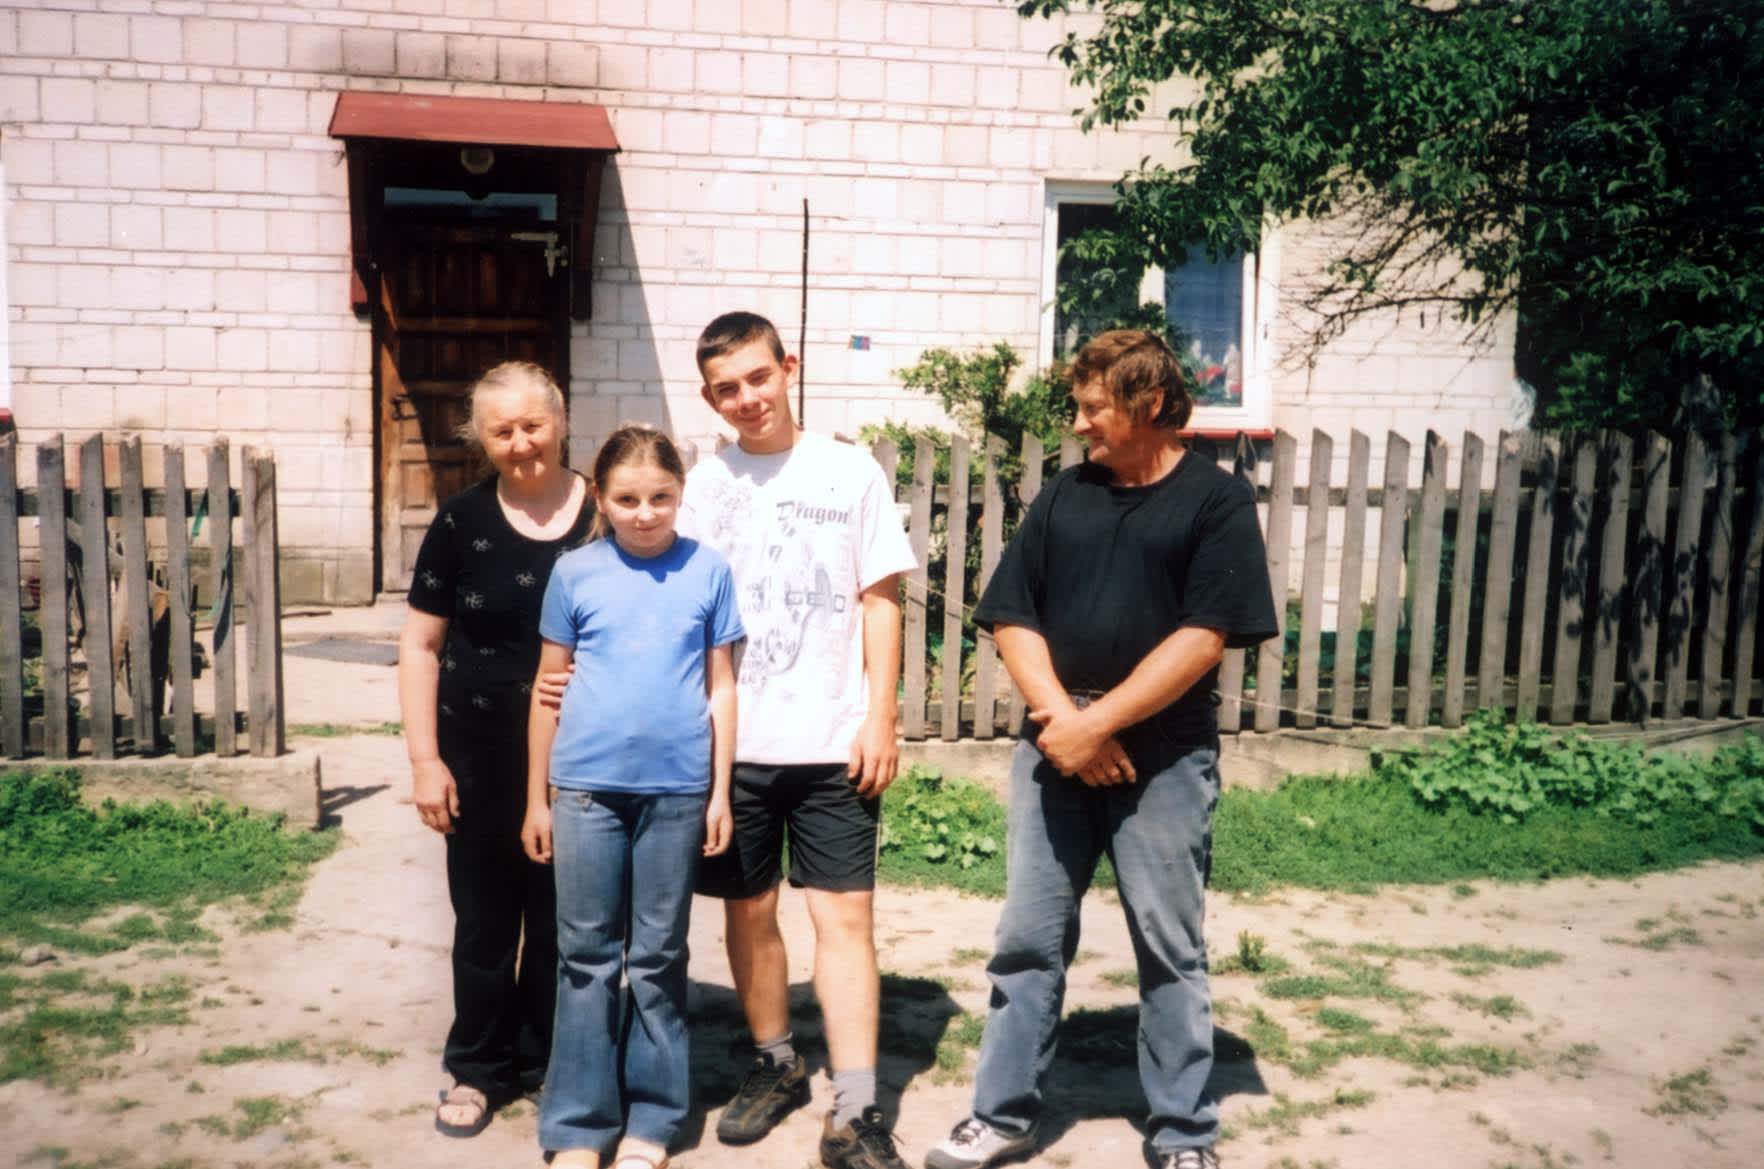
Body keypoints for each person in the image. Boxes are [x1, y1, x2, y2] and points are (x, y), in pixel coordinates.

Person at [924, 330, 1277, 1169]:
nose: (1079, 424)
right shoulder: (1065, 497)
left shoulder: (1214, 501)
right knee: (1027, 939)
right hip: (1055, 746)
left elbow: (1204, 637)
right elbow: (1011, 615)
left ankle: (1184, 1132)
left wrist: (1102, 723)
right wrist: (1065, 725)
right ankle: (1001, 1113)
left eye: (1093, 407)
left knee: (1168, 945)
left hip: (1164, 758)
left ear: (1148, 402)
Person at [683, 311, 918, 1169]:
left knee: (845, 917)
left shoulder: (849, 471)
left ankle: (855, 1108)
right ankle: (776, 1062)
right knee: (748, 911)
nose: (747, 398)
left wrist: (879, 714)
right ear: (710, 397)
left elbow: (880, 598)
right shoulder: (705, 486)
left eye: (757, 377)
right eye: (726, 388)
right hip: (735, 743)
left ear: (789, 366)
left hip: (833, 743)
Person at [522, 424, 744, 1169]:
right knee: (584, 957)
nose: (644, 512)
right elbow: (547, 692)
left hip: (677, 793)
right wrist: (537, 797)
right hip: (584, 791)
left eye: (661, 497)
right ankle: (580, 1126)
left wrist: (719, 793)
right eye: (626, 498)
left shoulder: (708, 570)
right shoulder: (575, 573)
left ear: (681, 494)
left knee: (657, 957)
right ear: (602, 498)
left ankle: (654, 1119)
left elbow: (721, 685)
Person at [396, 360, 592, 1138]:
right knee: (483, 921)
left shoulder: (605, 513)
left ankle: (546, 1060)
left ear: (561, 419)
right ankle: (476, 1065)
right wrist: (424, 759)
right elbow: (419, 643)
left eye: (533, 425)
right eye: (501, 430)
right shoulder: (461, 521)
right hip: (476, 752)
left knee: (560, 920)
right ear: (480, 438)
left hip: (584, 757)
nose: (521, 443)